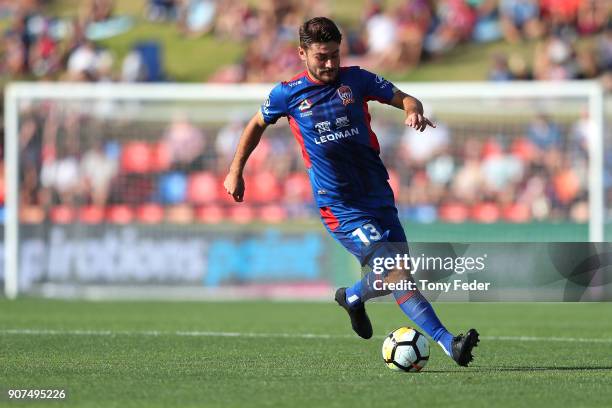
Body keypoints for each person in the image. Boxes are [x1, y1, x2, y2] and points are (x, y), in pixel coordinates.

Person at [223, 17, 479, 366]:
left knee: (398, 270)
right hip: (339, 204)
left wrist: (413, 109)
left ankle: (353, 297)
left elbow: (404, 97)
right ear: (302, 53)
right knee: (395, 270)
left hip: (377, 194)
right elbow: (256, 123)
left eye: (334, 55)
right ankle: (451, 343)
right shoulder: (287, 93)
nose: (330, 64)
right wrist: (236, 170)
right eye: (321, 57)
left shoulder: (356, 79)